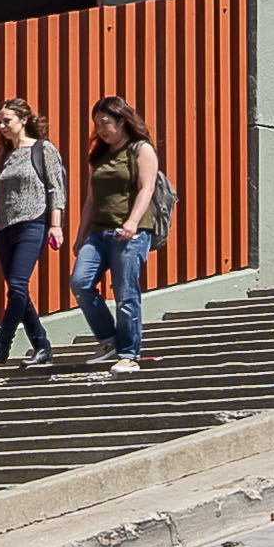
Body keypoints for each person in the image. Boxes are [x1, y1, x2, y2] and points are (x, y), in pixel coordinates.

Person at [75, 97, 173, 369]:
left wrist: (131, 222)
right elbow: (90, 200)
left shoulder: (141, 149)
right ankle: (108, 339)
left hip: (131, 233)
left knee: (125, 291)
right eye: (97, 125)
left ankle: (129, 355)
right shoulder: (98, 155)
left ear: (122, 121)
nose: (101, 130)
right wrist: (80, 235)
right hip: (98, 233)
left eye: (106, 123)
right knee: (80, 282)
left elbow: (147, 189)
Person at [0, 98, 65, 367]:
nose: (1, 126)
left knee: (18, 285)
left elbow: (56, 188)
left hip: (34, 223)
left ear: (24, 120)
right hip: (6, 229)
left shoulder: (43, 149)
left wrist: (56, 225)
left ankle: (2, 345)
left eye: (7, 120)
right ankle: (41, 346)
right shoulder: (7, 156)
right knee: (18, 291)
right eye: (0, 121)